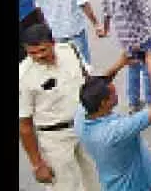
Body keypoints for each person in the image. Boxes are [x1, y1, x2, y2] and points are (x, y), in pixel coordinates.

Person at [19, 23, 104, 191]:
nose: (38, 56)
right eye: (32, 53)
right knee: (65, 187)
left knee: (98, 180)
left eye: (42, 50)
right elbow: (25, 125)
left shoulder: (70, 50)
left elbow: (88, 80)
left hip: (85, 126)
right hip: (54, 140)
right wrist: (37, 164)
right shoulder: (23, 76)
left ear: (53, 43)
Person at [76, 49, 151, 191]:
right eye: (113, 93)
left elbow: (97, 85)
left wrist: (120, 64)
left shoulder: (82, 115)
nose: (117, 92)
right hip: (140, 185)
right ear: (104, 103)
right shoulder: (115, 131)